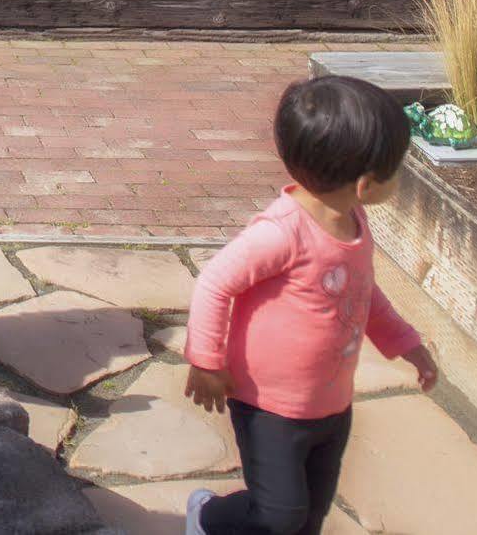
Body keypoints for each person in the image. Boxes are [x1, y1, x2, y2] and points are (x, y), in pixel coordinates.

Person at [182, 76, 441, 535]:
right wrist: (206, 361)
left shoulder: (353, 222)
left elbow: (363, 293)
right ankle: (208, 516)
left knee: (309, 516)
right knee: (278, 516)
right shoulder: (282, 232)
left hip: (331, 404)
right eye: (397, 169)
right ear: (364, 185)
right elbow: (214, 282)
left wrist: (407, 344)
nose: (401, 177)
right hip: (268, 406)